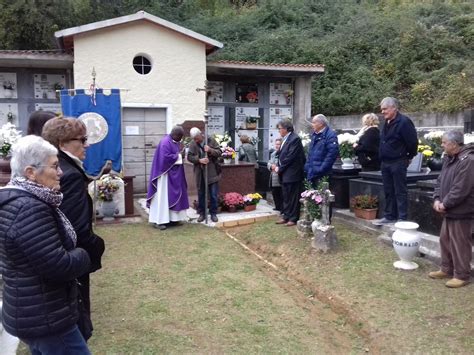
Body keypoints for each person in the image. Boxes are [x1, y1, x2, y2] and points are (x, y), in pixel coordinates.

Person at [0, 135, 91, 353]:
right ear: (31, 172)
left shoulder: (16, 198)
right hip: (46, 316)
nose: (60, 172)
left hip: (31, 308)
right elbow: (58, 265)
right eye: (55, 166)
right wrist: (83, 254)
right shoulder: (28, 208)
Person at [42, 117, 105, 341]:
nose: (87, 145)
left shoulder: (56, 168)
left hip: (57, 259)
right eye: (82, 139)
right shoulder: (68, 175)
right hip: (72, 261)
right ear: (62, 143)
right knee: (77, 323)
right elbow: (75, 229)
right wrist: (97, 246)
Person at [430, 130, 473, 288]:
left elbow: (461, 188)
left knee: (460, 243)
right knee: (445, 240)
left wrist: (445, 203)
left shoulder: (468, 160)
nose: (441, 145)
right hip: (448, 209)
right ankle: (446, 269)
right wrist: (436, 199)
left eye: (444, 142)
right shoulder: (450, 158)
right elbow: (440, 181)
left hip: (462, 210)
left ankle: (462, 275)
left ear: (454, 144)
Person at [376, 97, 418, 224]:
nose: (382, 112)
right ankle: (389, 215)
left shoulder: (404, 122)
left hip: (398, 161)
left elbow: (412, 142)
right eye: (381, 109)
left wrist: (409, 156)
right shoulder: (386, 122)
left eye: (385, 109)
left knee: (400, 190)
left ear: (394, 108)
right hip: (385, 162)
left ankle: (402, 218)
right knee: (388, 190)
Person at [146, 126, 189, 230]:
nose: (181, 139)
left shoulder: (174, 142)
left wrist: (180, 155)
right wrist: (179, 156)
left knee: (170, 197)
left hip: (172, 174)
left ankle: (172, 219)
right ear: (176, 135)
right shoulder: (165, 142)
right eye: (181, 137)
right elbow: (165, 158)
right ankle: (159, 221)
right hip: (163, 176)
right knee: (162, 197)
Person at [274, 119, 306, 226]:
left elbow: (290, 157)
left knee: (293, 197)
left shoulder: (295, 139)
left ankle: (293, 217)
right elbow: (281, 154)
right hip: (285, 173)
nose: (279, 131)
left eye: (280, 129)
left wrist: (280, 168)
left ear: (286, 128)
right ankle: (286, 216)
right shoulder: (285, 138)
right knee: (286, 196)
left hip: (292, 173)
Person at [187, 127, 222, 223]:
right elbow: (189, 157)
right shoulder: (193, 143)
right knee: (201, 194)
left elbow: (219, 152)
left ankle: (213, 213)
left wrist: (210, 150)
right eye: (194, 139)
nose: (195, 140)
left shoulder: (210, 140)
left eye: (197, 138)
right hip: (200, 173)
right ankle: (202, 213)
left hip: (212, 172)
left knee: (213, 195)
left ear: (201, 135)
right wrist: (199, 160)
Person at [304, 114, 339, 187]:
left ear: (321, 124)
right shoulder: (314, 135)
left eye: (314, 122)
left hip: (322, 173)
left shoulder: (330, 135)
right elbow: (310, 153)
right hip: (312, 172)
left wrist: (321, 169)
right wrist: (307, 167)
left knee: (322, 196)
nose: (312, 125)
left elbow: (332, 154)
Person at [267, 138, 283, 211]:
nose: (277, 146)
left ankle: (281, 208)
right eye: (276, 144)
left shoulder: (283, 153)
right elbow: (269, 163)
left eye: (278, 144)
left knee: (280, 192)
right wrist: (271, 166)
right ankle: (277, 206)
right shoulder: (273, 153)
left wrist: (275, 166)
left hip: (279, 176)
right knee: (274, 192)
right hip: (273, 175)